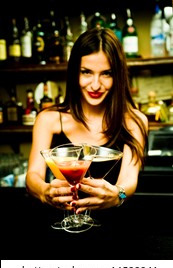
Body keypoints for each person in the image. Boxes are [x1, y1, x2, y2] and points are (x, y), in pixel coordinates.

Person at [26, 27, 148, 216]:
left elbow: (129, 181)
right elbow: (33, 177)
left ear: (118, 76)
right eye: (86, 72)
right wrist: (44, 192)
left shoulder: (134, 121)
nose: (96, 85)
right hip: (61, 225)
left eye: (106, 73)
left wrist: (117, 194)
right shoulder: (49, 120)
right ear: (75, 73)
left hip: (115, 229)